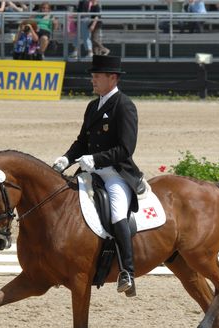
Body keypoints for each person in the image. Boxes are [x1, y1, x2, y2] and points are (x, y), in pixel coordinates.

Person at [52, 55, 142, 297]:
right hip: (89, 171)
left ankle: (127, 272)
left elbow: (126, 148)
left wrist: (96, 159)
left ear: (112, 78)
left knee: (116, 213)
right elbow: (82, 141)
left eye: (97, 76)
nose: (92, 79)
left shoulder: (124, 105)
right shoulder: (93, 106)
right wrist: (66, 158)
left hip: (116, 174)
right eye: (93, 75)